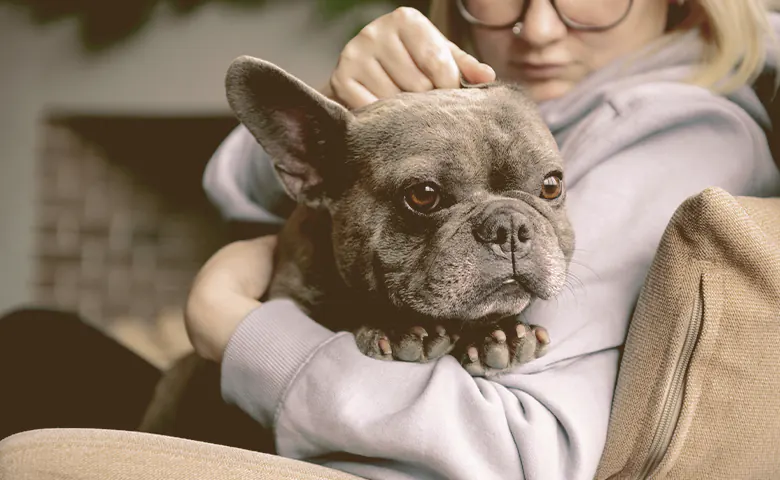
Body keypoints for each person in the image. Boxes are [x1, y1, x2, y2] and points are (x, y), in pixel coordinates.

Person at [1, 1, 778, 479]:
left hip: (310, 413)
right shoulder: (519, 101)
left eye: (545, 190)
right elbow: (241, 181)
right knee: (34, 343)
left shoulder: (670, 133)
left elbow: (519, 456)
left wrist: (236, 328)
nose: (538, 25)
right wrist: (348, 105)